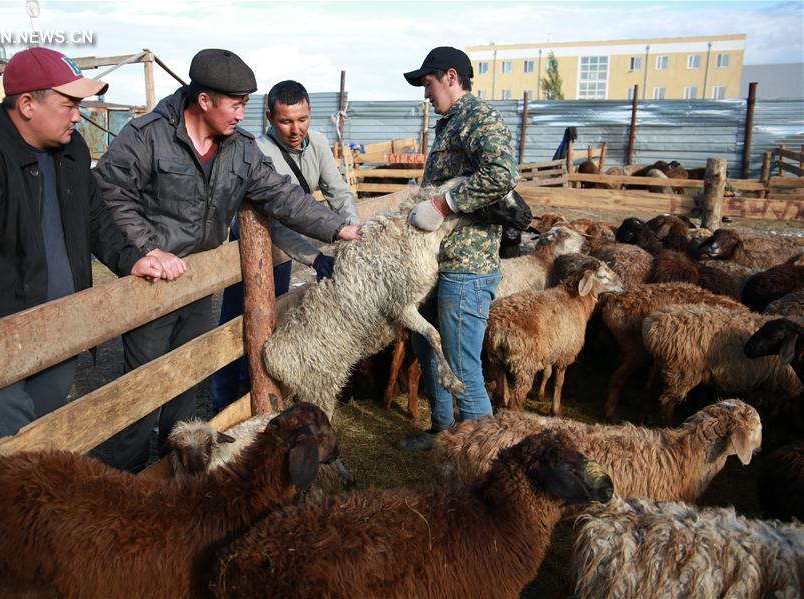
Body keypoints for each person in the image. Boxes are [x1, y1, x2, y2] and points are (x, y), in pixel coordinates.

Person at [93, 49, 361, 471]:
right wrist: (146, 247)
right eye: (236, 104)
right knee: (143, 392)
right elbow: (109, 192)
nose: (242, 113)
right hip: (150, 284)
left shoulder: (239, 149)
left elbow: (281, 195)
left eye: (245, 104)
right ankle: (124, 484)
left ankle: (173, 477)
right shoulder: (147, 136)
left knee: (186, 385)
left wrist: (336, 227)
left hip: (199, 284)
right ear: (205, 101)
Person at [0, 47, 168, 451]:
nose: (77, 115)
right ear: (28, 104)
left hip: (60, 324)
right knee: (9, 448)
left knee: (43, 435)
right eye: (68, 104)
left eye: (78, 104)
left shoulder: (70, 150)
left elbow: (96, 218)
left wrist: (135, 258)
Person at [210, 79, 361, 412]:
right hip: (251, 246)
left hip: (282, 252)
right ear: (269, 117)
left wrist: (353, 228)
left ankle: (260, 391)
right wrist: (315, 257)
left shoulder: (318, 143)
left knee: (272, 320)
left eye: (302, 119)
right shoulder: (259, 153)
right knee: (237, 322)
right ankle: (224, 402)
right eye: (285, 121)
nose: (296, 129)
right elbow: (273, 224)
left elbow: (337, 192)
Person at [397, 47, 519, 451]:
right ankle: (442, 433)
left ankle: (483, 458)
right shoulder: (450, 124)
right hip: (438, 260)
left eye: (428, 84)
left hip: (468, 264)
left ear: (451, 77)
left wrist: (442, 205)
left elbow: (502, 173)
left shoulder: (478, 118)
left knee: (463, 364)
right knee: (427, 346)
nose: (426, 94)